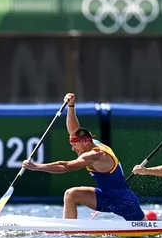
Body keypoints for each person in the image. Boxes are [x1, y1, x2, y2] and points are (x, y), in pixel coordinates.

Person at [22, 93, 147, 221]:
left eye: (75, 145)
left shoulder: (95, 155)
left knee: (145, 230)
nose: (73, 148)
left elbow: (65, 167)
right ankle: (68, 232)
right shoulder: (93, 142)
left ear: (85, 142)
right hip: (105, 196)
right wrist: (71, 106)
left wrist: (36, 166)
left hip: (124, 201)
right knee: (71, 194)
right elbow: (74, 130)